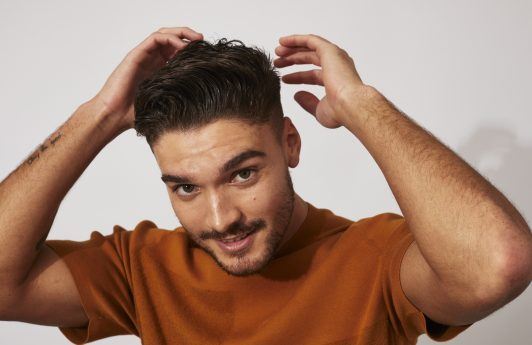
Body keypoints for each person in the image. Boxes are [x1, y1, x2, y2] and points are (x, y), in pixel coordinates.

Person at [0, 26, 530, 345]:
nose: (220, 218)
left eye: (243, 173)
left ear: (290, 144)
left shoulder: (375, 260)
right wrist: (100, 115)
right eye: (185, 187)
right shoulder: (143, 267)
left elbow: (497, 266)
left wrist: (363, 105)